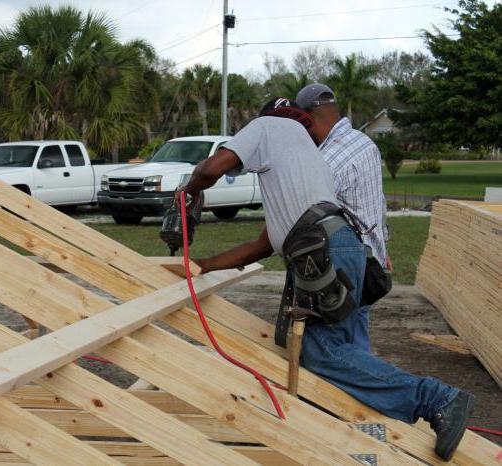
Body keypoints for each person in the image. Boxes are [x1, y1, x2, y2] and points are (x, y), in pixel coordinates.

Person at [179, 98, 474, 461]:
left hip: (321, 251)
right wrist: (202, 265)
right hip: (338, 244)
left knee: (320, 351)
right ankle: (355, 440)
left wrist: (191, 189)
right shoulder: (303, 157)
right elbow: (262, 245)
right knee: (325, 346)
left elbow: (212, 167)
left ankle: (436, 398)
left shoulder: (266, 126)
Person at [292, 83, 390, 353]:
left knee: (333, 351)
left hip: (345, 269)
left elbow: (304, 214)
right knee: (357, 340)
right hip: (372, 262)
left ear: (307, 118)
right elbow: (376, 200)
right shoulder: (364, 142)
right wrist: (384, 243)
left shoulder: (326, 160)